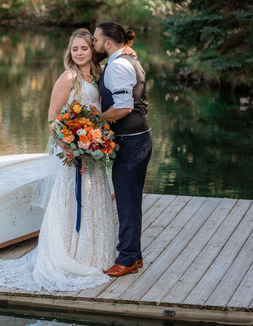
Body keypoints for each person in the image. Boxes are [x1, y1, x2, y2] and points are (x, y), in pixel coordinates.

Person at [0, 28, 117, 292]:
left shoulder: (99, 74)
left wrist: (96, 140)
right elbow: (52, 117)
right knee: (71, 203)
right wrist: (67, 143)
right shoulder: (68, 77)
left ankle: (96, 256)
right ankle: (68, 257)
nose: (80, 53)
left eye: (84, 48)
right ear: (69, 52)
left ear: (92, 50)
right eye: (75, 49)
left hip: (94, 153)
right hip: (73, 153)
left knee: (94, 199)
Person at [93, 22, 152, 277]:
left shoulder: (118, 65)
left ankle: (126, 259)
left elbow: (123, 107)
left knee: (127, 204)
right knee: (132, 201)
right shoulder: (125, 60)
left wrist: (97, 120)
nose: (93, 44)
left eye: (95, 40)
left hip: (130, 142)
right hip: (138, 139)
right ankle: (134, 256)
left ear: (108, 43)